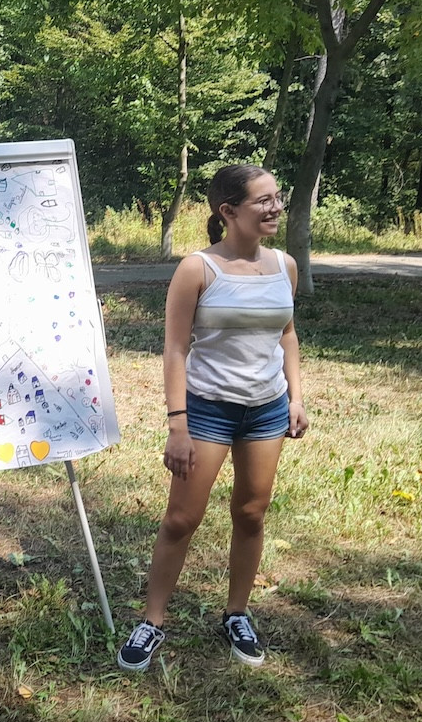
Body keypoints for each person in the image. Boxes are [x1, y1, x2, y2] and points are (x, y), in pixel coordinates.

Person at [117, 164, 308, 672]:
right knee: (181, 519)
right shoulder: (197, 269)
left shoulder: (284, 266)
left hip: (266, 410)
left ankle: (237, 613)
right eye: (263, 200)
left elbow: (286, 334)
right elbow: (176, 349)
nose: (275, 207)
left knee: (251, 514)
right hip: (207, 411)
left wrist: (296, 396)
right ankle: (153, 620)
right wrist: (177, 424)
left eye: (277, 197)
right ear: (228, 211)